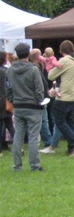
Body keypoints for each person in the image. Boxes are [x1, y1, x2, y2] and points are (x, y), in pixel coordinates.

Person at [8, 43, 46, 172]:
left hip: (18, 106)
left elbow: (9, 89)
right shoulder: (33, 69)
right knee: (34, 137)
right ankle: (35, 165)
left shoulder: (10, 70)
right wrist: (40, 101)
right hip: (33, 106)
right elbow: (39, 89)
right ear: (28, 54)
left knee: (18, 136)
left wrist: (13, 100)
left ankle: (17, 165)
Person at [47, 40, 74, 157]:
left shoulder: (64, 61)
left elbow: (51, 76)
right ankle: (72, 147)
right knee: (70, 122)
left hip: (63, 95)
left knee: (59, 121)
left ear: (61, 51)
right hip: (73, 94)